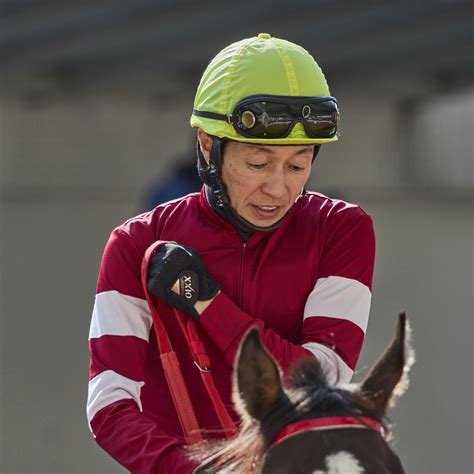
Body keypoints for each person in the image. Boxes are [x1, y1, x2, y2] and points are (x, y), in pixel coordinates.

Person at [87, 33, 376, 473]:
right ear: (207, 146)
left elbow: (319, 385)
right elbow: (109, 403)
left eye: (298, 165)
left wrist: (208, 304)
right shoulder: (135, 243)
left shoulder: (342, 230)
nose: (278, 188)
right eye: (258, 164)